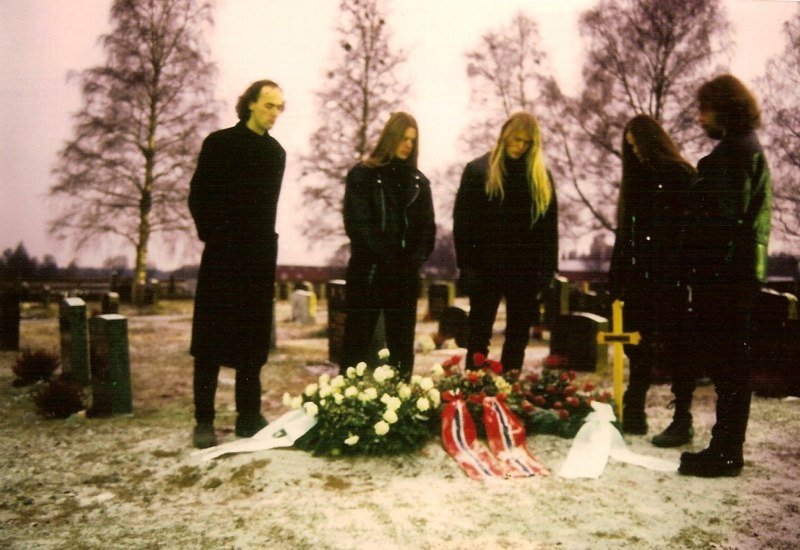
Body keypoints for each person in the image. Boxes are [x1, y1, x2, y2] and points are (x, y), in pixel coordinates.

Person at [679, 74, 772, 477]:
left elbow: (720, 223)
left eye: (705, 109)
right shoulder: (745, 150)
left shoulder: (733, 155)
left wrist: (693, 263)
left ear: (724, 109)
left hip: (725, 276)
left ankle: (727, 452)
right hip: (735, 273)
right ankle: (725, 447)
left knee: (729, 364)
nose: (700, 118)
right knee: (730, 364)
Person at [187, 80, 286, 448]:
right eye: (269, 105)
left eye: (279, 107)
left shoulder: (275, 153)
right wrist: (215, 235)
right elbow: (199, 196)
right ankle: (204, 420)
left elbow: (266, 208)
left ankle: (248, 415)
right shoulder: (219, 143)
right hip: (222, 255)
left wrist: (264, 248)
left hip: (257, 258)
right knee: (209, 341)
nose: (275, 113)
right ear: (250, 105)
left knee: (252, 340)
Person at [609, 114, 697, 447]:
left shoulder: (682, 176)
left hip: (672, 276)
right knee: (637, 343)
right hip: (639, 277)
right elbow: (625, 235)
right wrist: (616, 279)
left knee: (678, 348)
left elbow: (691, 231)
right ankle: (634, 407)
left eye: (637, 146)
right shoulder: (636, 180)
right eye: (630, 148)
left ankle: (682, 417)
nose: (635, 152)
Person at [453, 112, 558, 372]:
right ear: (504, 137)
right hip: (485, 267)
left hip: (525, 269)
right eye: (516, 139)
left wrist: (547, 273)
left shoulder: (540, 178)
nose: (520, 146)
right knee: (479, 335)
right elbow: (463, 225)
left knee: (517, 337)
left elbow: (548, 230)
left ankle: (510, 387)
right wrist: (467, 267)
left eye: (527, 143)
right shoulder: (478, 171)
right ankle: (474, 388)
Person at [341, 112, 436, 380]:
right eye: (403, 138)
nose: (408, 145)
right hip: (369, 272)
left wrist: (413, 259)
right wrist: (390, 257)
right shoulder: (364, 174)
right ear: (390, 137)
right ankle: (346, 400)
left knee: (401, 350)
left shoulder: (419, 182)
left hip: (404, 276)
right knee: (356, 347)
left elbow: (427, 230)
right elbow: (358, 224)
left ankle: (400, 400)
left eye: (412, 140)